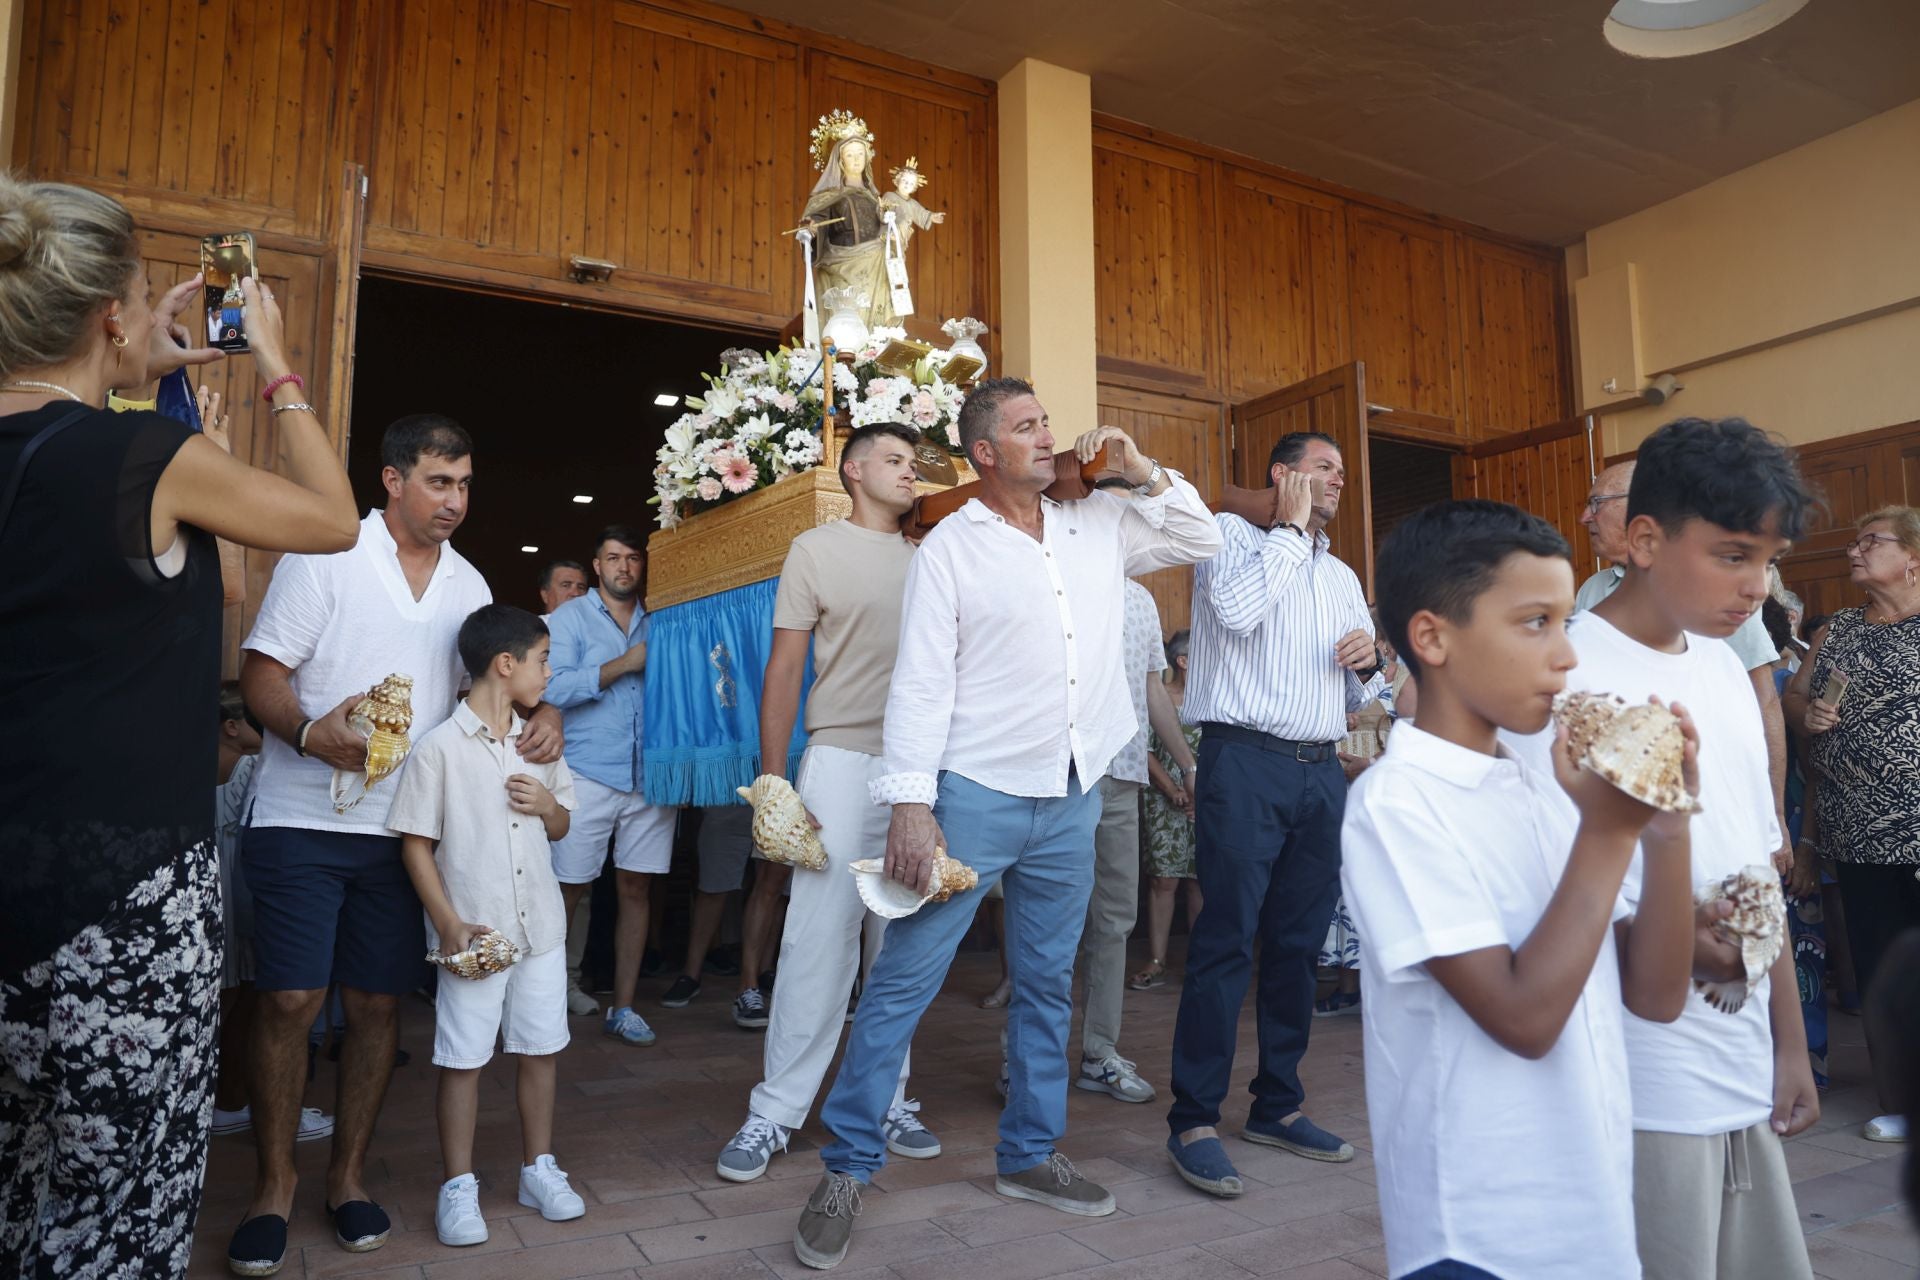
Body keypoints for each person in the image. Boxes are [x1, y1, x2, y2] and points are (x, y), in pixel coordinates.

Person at [0, 176, 359, 1277]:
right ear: (112, 312)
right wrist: (278, 361)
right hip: (122, 900)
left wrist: (133, 378)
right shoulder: (142, 462)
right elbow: (335, 520)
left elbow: (210, 589)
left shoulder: (110, 452)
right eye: (147, 301)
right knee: (115, 1212)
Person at [791, 380, 1221, 1269]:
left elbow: (1200, 536)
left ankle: (1029, 1154)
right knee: (902, 986)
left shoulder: (1098, 523)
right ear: (987, 453)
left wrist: (1142, 471)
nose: (1049, 436)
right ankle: (846, 1169)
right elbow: (920, 681)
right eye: (1027, 427)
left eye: (1046, 424)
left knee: (1045, 984)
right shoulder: (951, 546)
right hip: (974, 795)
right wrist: (913, 804)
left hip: (1071, 794)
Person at [1346, 499, 1700, 1279]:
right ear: (1432, 637)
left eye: (1567, 622)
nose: (1568, 656)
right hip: (1479, 1229)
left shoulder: (1542, 784)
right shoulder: (1398, 802)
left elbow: (1655, 994)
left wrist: (1665, 824)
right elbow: (1524, 1018)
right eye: (1536, 622)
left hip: (1591, 1208)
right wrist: (1609, 833)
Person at [234, 413, 550, 1273]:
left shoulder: (469, 582)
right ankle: (272, 1185)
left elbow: (497, 675)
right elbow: (261, 668)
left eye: (465, 484)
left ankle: (346, 1177)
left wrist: (544, 709)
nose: (455, 500)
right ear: (392, 480)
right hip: (301, 816)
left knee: (378, 1006)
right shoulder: (327, 553)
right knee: (291, 1001)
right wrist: (306, 733)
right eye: (439, 481)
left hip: (406, 831)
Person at [1512, 417, 1819, 1280]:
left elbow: (1759, 868)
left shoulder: (1724, 667)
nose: (1757, 584)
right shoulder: (1564, 675)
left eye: (1769, 559)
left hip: (1738, 1056)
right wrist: (1677, 937)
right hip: (1638, 1072)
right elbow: (1540, 896)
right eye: (1731, 555)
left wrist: (1788, 1042)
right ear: (1644, 539)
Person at [717, 424, 938, 1183]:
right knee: (817, 943)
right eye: (895, 461)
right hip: (841, 760)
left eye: (916, 463)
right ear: (853, 471)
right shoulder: (815, 551)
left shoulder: (935, 553)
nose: (911, 473)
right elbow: (783, 670)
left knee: (898, 946)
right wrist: (775, 782)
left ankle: (888, 1099)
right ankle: (774, 1112)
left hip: (922, 768)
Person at [1167, 430, 1382, 1196]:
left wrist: (1371, 663)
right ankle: (1193, 1117)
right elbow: (1238, 611)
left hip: (1320, 771)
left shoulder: (1345, 575)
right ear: (1282, 474)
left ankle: (1277, 1107)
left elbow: (1358, 701)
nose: (1337, 482)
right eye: (1324, 468)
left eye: (1342, 474)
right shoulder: (1226, 536)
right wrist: (1288, 532)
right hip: (1244, 763)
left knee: (1297, 947)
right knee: (1226, 940)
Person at [387, 604, 586, 1247]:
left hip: (540, 930)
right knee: (464, 1058)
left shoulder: (537, 745)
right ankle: (458, 1184)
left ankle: (539, 1167)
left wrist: (549, 803)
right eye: (544, 659)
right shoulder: (438, 750)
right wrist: (446, 921)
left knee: (540, 1048)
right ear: (507, 664)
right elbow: (415, 843)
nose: (550, 673)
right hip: (475, 934)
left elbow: (561, 827)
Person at [1578, 459, 1795, 880]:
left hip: (1732, 868)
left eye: (1597, 503)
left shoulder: (1724, 649)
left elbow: (1764, 705)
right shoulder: (1575, 635)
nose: (1758, 590)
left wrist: (1776, 820)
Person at [1785, 504, 1920, 1145]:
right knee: (1879, 966)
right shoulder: (1837, 629)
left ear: (1914, 557)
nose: (1855, 551)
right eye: (1855, 541)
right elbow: (1791, 697)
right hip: (1860, 829)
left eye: (1872, 541)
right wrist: (1807, 712)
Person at [1072, 475, 1185, 1105]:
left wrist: (1187, 764)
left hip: (1121, 775)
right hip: (1059, 776)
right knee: (1051, 921)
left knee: (1114, 921)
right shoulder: (1050, 579)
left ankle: (1100, 1052)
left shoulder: (1140, 601)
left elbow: (1151, 694)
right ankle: (1022, 1054)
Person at [546, 526, 679, 1045]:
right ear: (596, 566)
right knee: (568, 889)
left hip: (652, 773)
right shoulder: (570, 617)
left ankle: (623, 1007)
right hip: (587, 771)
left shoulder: (665, 616)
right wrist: (625, 664)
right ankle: (544, 997)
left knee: (637, 887)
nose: (625, 567)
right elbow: (551, 686)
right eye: (613, 558)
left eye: (633, 559)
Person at [210, 685, 336, 1144]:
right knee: (267, 1005)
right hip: (249, 899)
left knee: (228, 1006)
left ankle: (223, 1099)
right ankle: (259, 1102)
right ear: (231, 727)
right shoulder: (251, 768)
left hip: (214, 900)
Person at [1133, 629, 1202, 991]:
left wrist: (1200, 796)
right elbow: (1142, 750)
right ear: (1183, 661)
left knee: (1200, 881)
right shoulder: (1157, 699)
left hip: (1205, 802)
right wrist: (1173, 790)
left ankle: (1199, 961)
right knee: (1164, 880)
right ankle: (1157, 960)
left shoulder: (1211, 701)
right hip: (1164, 801)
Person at [662, 805, 752, 1009]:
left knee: (771, 888)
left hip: (787, 791)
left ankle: (758, 978)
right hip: (730, 790)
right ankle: (690, 975)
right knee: (713, 885)